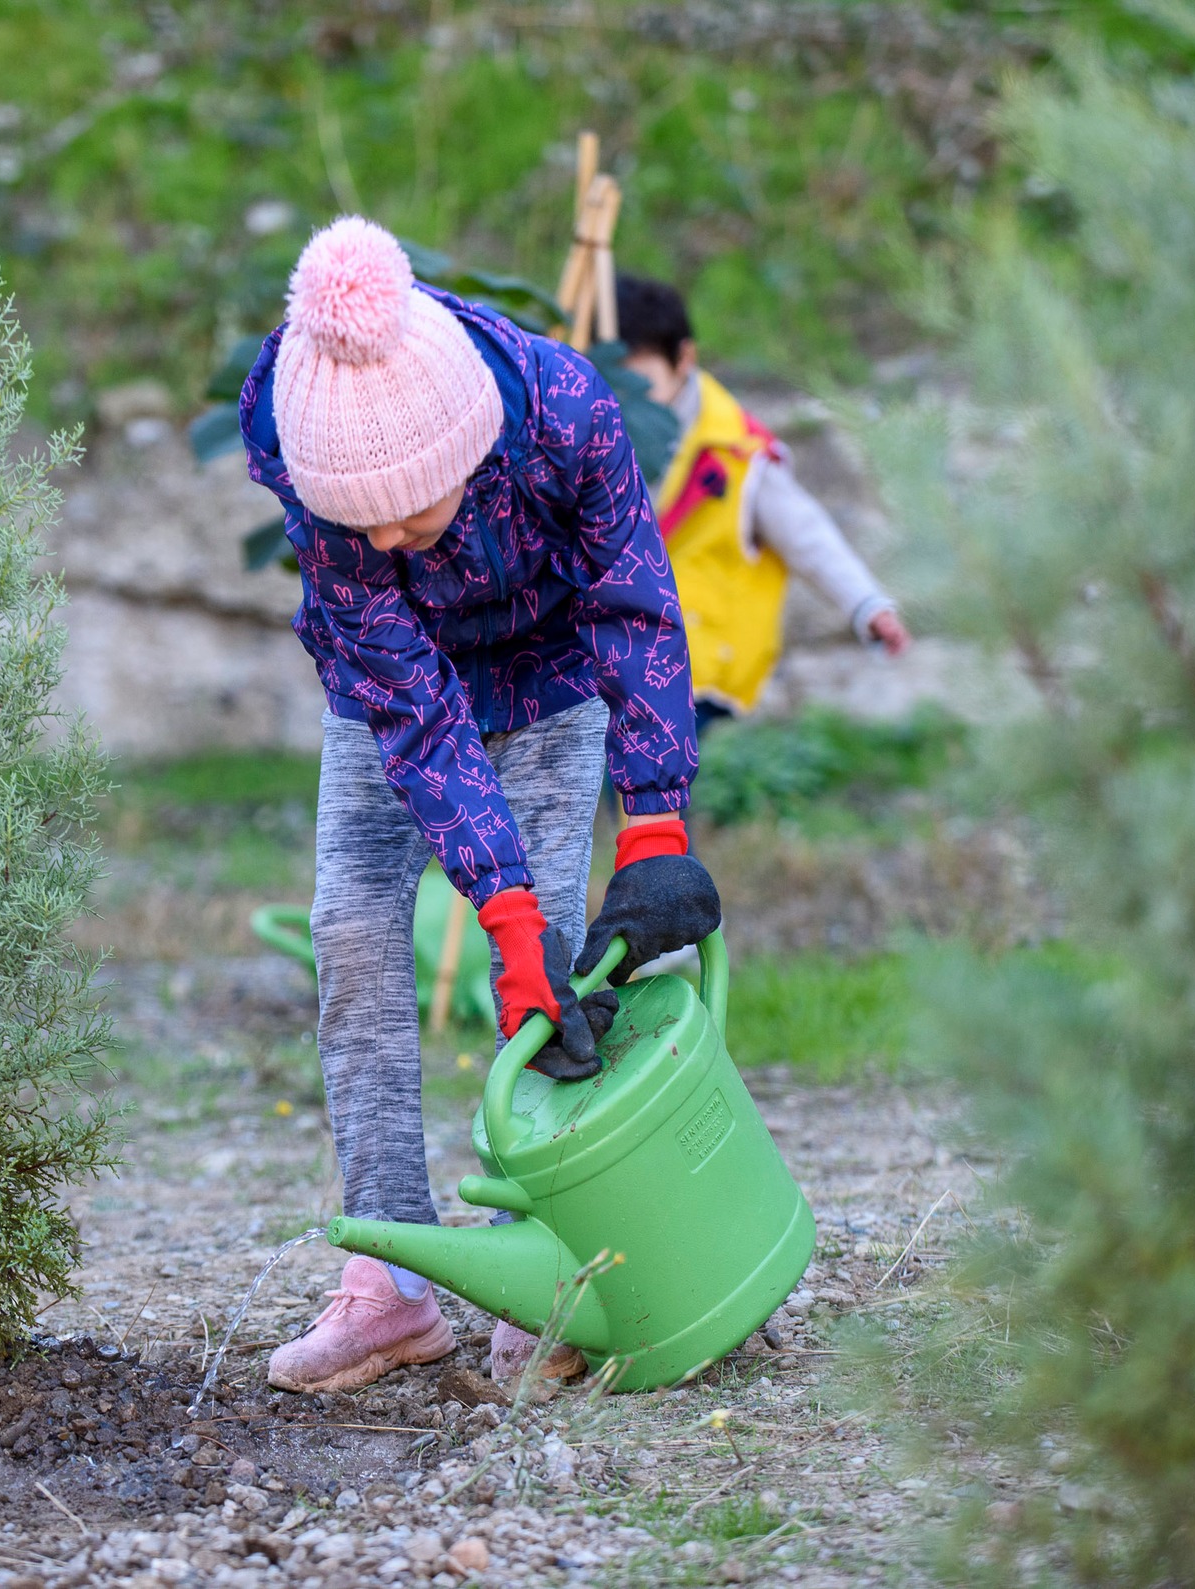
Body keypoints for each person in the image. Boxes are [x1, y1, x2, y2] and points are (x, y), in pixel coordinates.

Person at [240, 217, 720, 1393]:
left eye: (413, 511)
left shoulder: (564, 412)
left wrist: (653, 820)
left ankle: (548, 1262)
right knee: (353, 931)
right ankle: (391, 1284)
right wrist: (490, 909)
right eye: (362, 522)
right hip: (387, 691)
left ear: (472, 446)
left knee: (553, 960)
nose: (386, 537)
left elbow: (632, 603)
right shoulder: (297, 423)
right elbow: (412, 704)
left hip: (550, 681)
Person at [614, 275, 910, 744]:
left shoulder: (740, 454)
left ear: (684, 358)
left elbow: (807, 536)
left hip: (700, 665)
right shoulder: (598, 431)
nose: (622, 394)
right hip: (624, 657)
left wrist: (866, 604)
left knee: (652, 771)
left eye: (638, 379)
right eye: (610, 378)